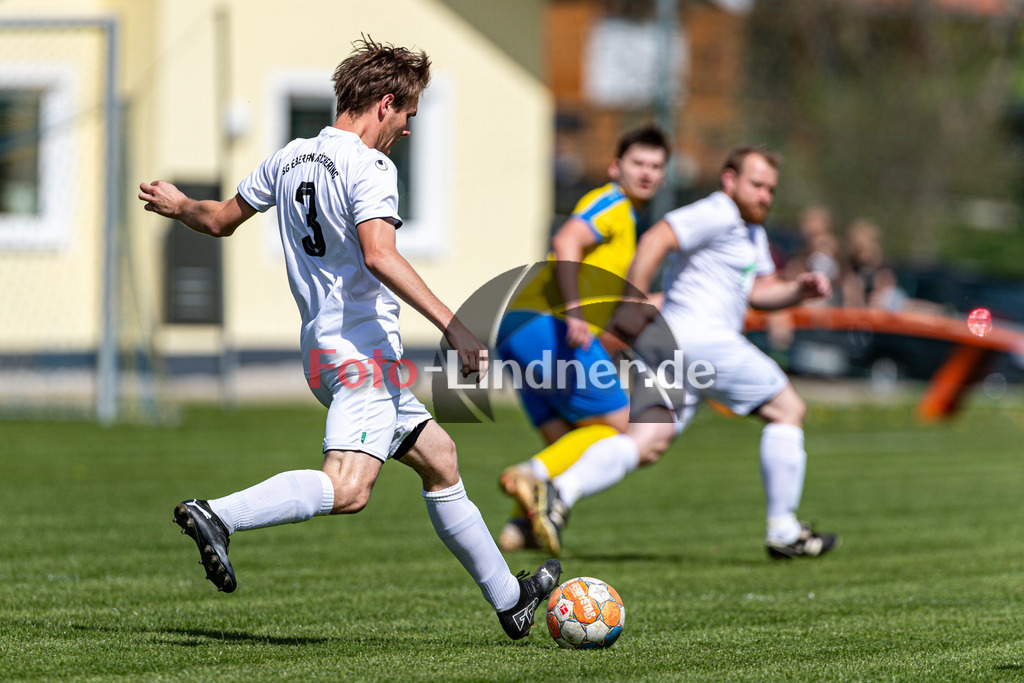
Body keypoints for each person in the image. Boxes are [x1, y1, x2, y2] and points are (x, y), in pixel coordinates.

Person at [138, 37, 559, 640]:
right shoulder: (372, 167)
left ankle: (511, 600)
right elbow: (380, 255)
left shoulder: (288, 158)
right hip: (360, 356)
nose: (407, 131)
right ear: (385, 103)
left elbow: (220, 220)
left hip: (328, 353)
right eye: (408, 116)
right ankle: (218, 515)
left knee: (440, 460)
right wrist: (455, 326)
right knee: (350, 487)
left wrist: (181, 206)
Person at [521, 145, 840, 560]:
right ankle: (783, 530)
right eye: (757, 184)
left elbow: (760, 293)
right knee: (788, 409)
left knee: (646, 441)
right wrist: (633, 305)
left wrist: (800, 290)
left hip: (674, 345)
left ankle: (559, 490)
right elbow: (657, 238)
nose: (765, 195)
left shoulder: (750, 231)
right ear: (730, 180)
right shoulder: (718, 210)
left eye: (771, 189)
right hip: (702, 339)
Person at [492, 126, 670, 553]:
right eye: (638, 163)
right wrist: (573, 314)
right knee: (621, 426)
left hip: (517, 327)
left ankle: (521, 528)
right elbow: (565, 239)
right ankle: (529, 474)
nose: (647, 172)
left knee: (569, 440)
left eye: (656, 166)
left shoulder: (628, 224)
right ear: (616, 167)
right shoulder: (611, 203)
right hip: (546, 325)